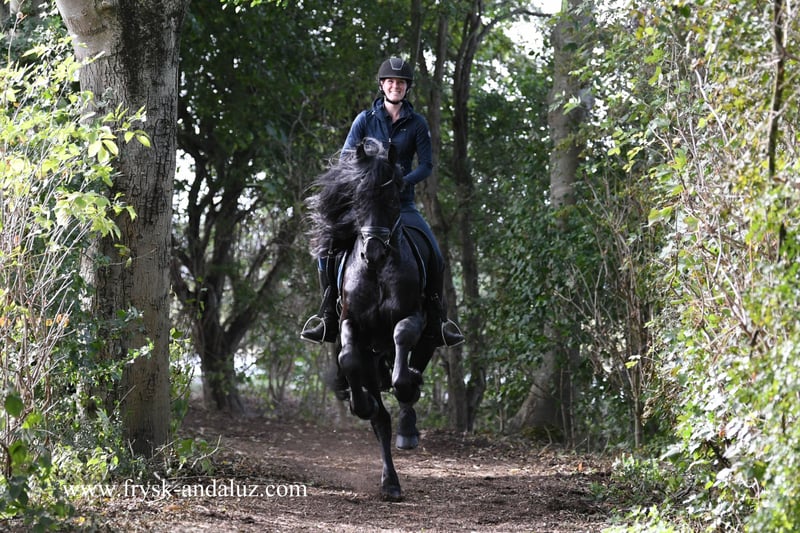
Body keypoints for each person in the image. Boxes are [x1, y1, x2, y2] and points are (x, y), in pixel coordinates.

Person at [301, 57, 464, 348]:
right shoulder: (365, 120)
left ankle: (438, 321)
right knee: (326, 251)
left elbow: (426, 165)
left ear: (407, 88)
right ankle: (327, 315)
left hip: (401, 205)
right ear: (382, 85)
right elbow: (346, 158)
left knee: (436, 255)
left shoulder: (417, 124)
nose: (395, 86)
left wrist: (401, 181)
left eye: (400, 83)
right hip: (365, 208)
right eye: (390, 82)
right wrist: (366, 181)